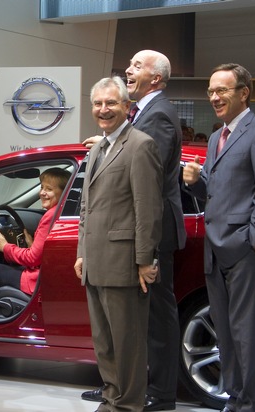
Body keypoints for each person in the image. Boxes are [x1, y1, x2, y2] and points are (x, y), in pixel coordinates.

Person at [81, 50, 186, 411]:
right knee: (119, 331)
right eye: (98, 103)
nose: (129, 69)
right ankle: (122, 390)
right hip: (112, 247)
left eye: (137, 66)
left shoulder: (152, 124)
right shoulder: (129, 126)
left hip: (140, 241)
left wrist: (145, 256)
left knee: (143, 326)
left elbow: (146, 196)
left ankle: (148, 393)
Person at [182, 63, 255, 412]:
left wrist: (254, 241)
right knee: (225, 332)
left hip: (243, 250)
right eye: (211, 90)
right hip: (214, 248)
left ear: (243, 92)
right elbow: (213, 194)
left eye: (222, 90)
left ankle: (251, 404)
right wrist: (195, 182)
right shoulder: (215, 137)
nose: (214, 96)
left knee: (245, 333)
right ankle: (235, 398)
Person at [75, 76, 163, 412]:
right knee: (105, 343)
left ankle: (128, 406)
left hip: (125, 262)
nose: (103, 109)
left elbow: (148, 208)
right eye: (98, 104)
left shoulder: (140, 145)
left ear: (127, 107)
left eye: (111, 103)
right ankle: (112, 398)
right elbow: (86, 207)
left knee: (127, 343)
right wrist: (82, 252)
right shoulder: (98, 147)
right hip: (95, 261)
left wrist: (144, 260)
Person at [0, 167, 71, 316]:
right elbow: (43, 255)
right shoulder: (61, 211)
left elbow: (32, 259)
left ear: (63, 192)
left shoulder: (51, 216)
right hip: (45, 276)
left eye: (49, 189)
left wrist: (5, 246)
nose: (42, 193)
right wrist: (31, 244)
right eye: (42, 187)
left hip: (38, 281)